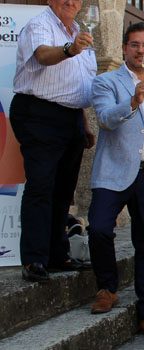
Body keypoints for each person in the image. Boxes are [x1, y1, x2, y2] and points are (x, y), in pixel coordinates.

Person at [87, 22, 144, 342]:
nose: (141, 50)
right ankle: (107, 286)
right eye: (135, 44)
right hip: (113, 169)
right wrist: (133, 101)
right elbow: (105, 119)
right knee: (99, 228)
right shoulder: (105, 81)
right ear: (124, 48)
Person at [10, 0, 96, 282]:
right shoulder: (40, 24)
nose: (70, 1)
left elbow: (77, 84)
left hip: (70, 117)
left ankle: (57, 254)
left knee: (63, 191)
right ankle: (34, 259)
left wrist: (82, 123)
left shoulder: (80, 30)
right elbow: (44, 56)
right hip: (39, 112)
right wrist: (70, 49)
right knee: (41, 186)